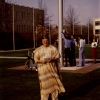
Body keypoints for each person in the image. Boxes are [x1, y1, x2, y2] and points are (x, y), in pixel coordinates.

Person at [33, 36, 65, 100]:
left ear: (48, 41)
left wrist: (52, 59)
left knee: (54, 85)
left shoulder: (53, 48)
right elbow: (36, 59)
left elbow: (58, 56)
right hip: (43, 71)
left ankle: (55, 98)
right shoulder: (38, 50)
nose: (45, 42)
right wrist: (42, 61)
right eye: (43, 41)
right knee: (44, 87)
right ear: (42, 42)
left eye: (46, 40)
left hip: (52, 70)